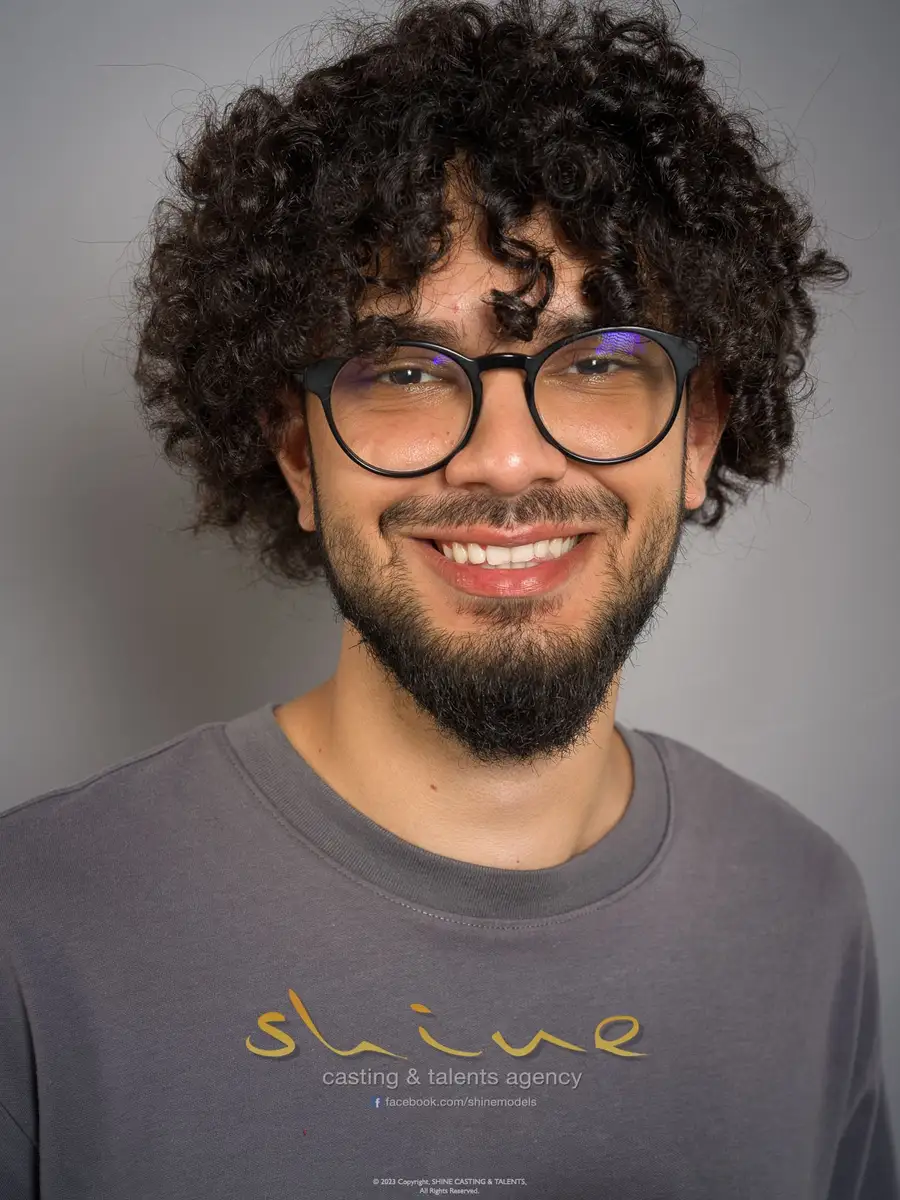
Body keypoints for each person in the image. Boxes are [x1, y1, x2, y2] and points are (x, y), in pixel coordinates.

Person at [0, 0, 896, 1195]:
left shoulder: (808, 914)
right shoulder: (29, 931)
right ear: (297, 450)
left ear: (698, 435)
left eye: (598, 361)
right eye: (408, 372)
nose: (507, 463)